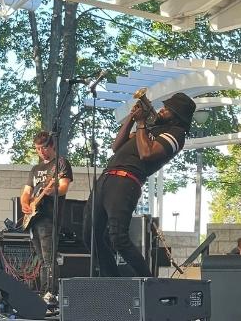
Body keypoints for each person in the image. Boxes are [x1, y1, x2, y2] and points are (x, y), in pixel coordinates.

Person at [84, 92, 196, 276]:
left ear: (176, 116)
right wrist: (132, 118)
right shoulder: (150, 128)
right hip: (106, 177)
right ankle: (112, 281)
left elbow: (147, 154)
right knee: (90, 234)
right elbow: (116, 146)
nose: (161, 110)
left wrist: (142, 123)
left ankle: (149, 281)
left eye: (167, 109)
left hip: (126, 180)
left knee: (118, 237)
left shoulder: (176, 134)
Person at [20, 131, 73, 304]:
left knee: (49, 258)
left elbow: (64, 186)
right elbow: (27, 191)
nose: (41, 152)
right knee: (42, 260)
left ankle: (51, 294)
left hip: (50, 218)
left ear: (52, 146)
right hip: (34, 219)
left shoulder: (61, 163)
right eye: (37, 149)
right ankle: (44, 293)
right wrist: (24, 203)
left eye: (43, 148)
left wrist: (53, 190)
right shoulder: (35, 169)